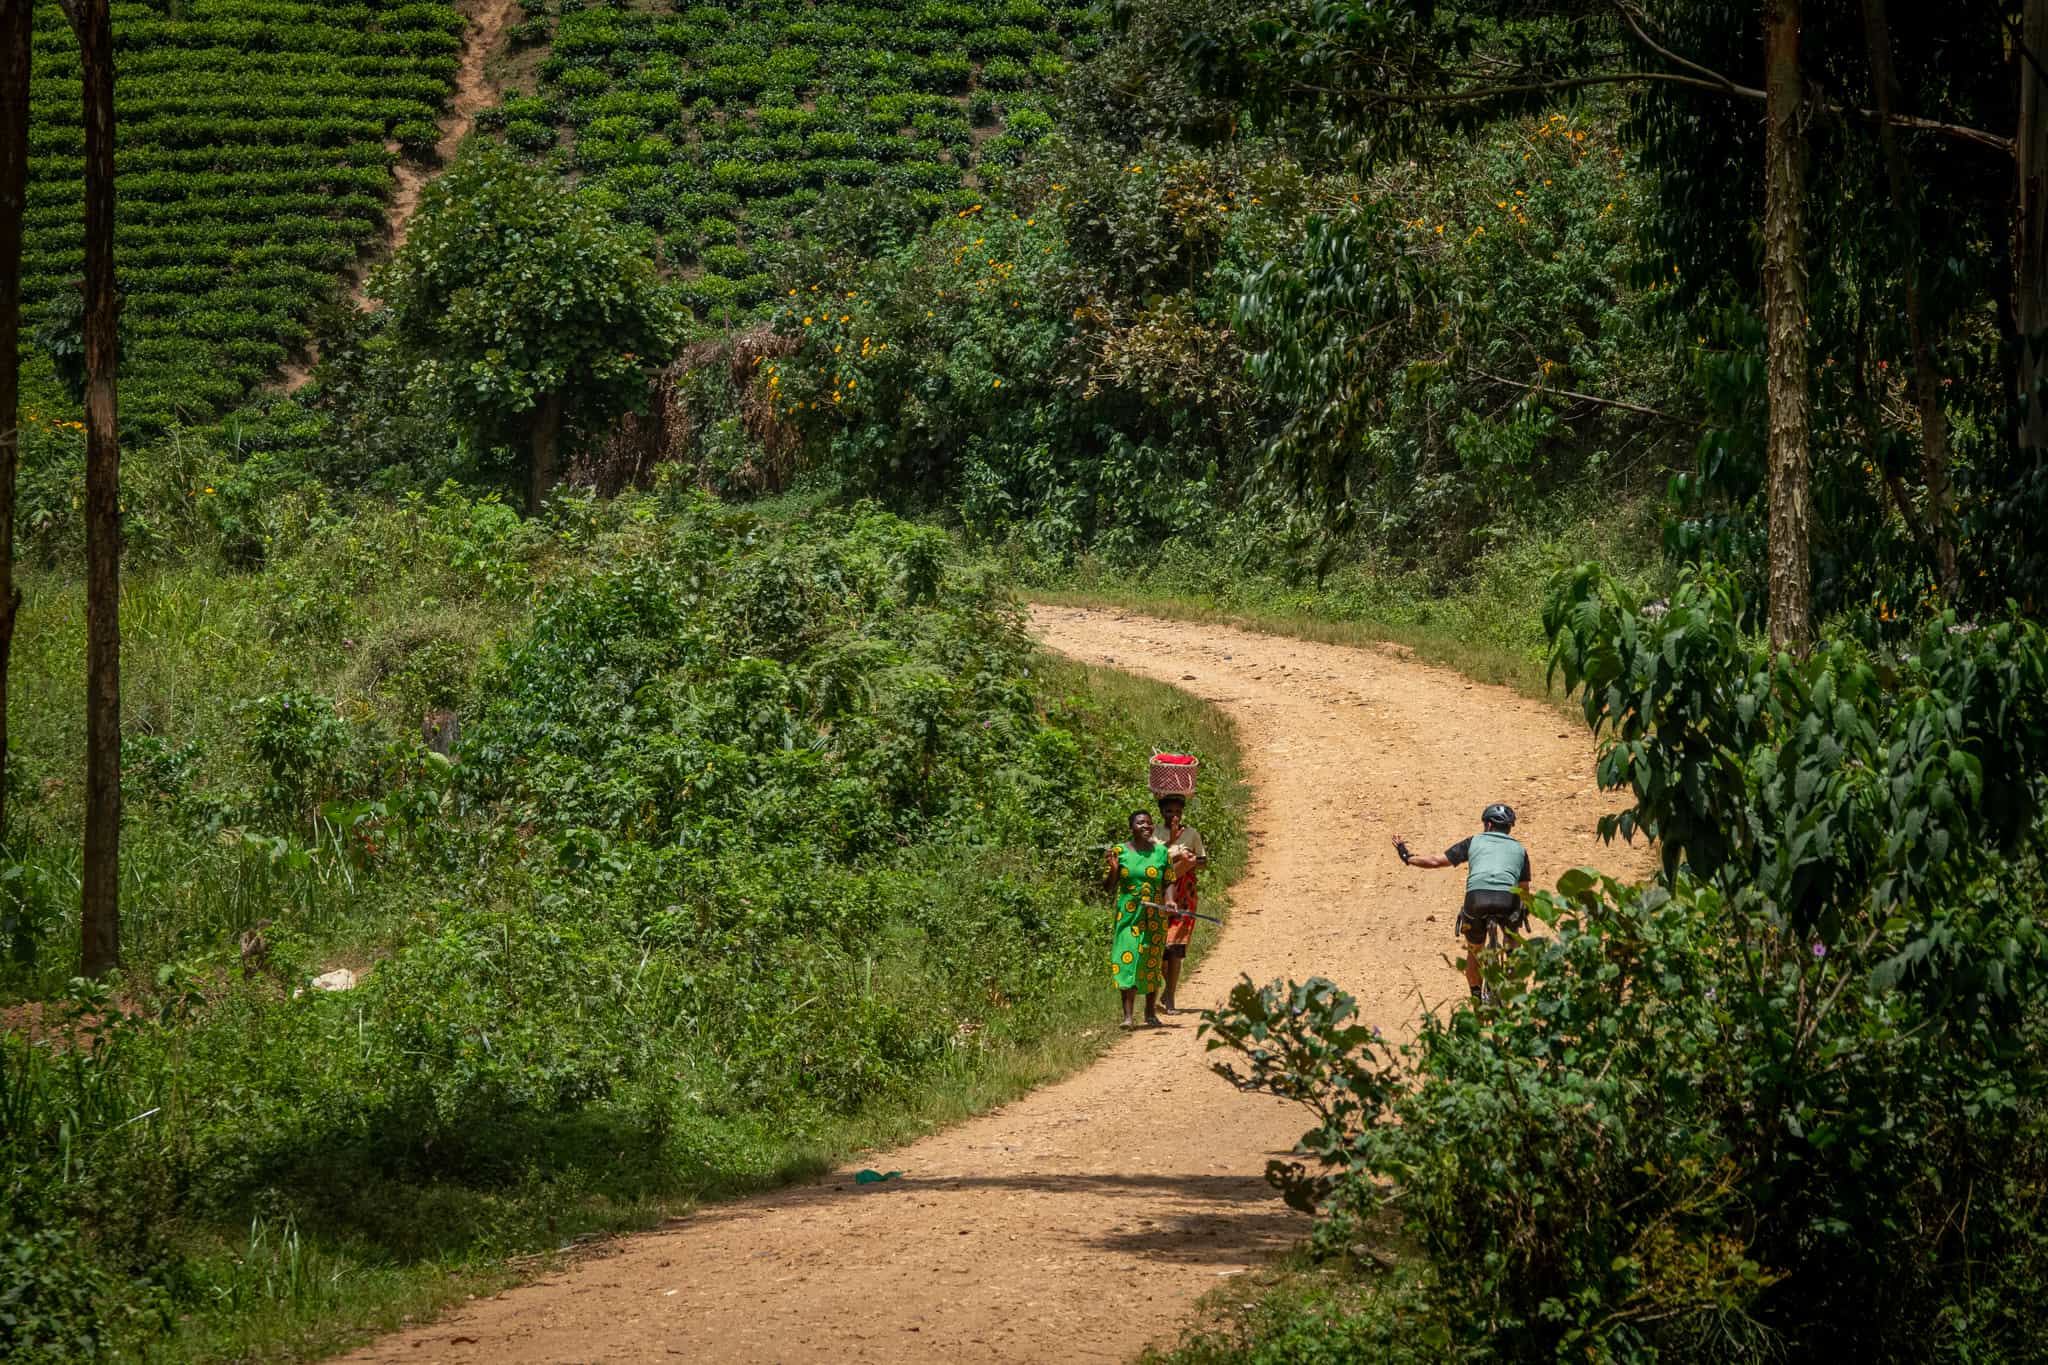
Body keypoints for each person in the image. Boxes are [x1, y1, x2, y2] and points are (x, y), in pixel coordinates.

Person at [1393, 803, 1530, 1002]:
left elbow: (1435, 862)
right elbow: (1524, 890)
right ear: (1509, 827)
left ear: (1488, 825)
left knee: (1475, 951)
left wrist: (1407, 855)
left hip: (1477, 900)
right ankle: (1512, 974)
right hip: (1506, 901)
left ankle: (1476, 996)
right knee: (1513, 936)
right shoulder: (1520, 849)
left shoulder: (1473, 842)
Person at [1104, 809, 1169, 1028]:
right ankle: (1128, 1017)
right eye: (1140, 823)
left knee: (1151, 961)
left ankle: (1150, 1013)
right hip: (1129, 917)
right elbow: (1108, 888)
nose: (1145, 826)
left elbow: (1167, 881)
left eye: (1149, 823)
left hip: (1154, 918)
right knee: (1126, 958)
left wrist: (1170, 901)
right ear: (1131, 827)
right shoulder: (1119, 851)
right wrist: (1113, 870)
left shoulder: (1161, 852)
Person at [1155, 792, 1207, 1013]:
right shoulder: (1154, 832)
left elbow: (1203, 862)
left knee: (1174, 946)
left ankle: (1170, 995)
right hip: (1159, 893)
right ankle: (1166, 989)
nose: (1173, 815)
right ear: (1161, 812)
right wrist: (1173, 838)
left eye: (1177, 811)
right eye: (1169, 811)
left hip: (1184, 895)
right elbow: (1153, 857)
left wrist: (1192, 862)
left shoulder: (1192, 834)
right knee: (1160, 948)